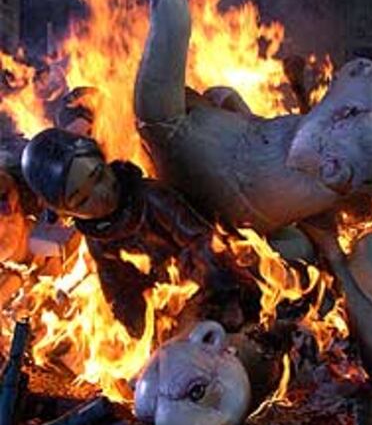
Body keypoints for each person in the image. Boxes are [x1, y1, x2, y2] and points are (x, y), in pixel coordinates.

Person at [21, 128, 252, 335]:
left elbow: (201, 241)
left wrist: (217, 290)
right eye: (82, 200)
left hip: (209, 287)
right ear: (66, 212)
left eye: (99, 176)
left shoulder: (151, 199)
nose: (101, 194)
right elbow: (118, 291)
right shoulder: (98, 240)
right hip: (167, 304)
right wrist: (142, 325)